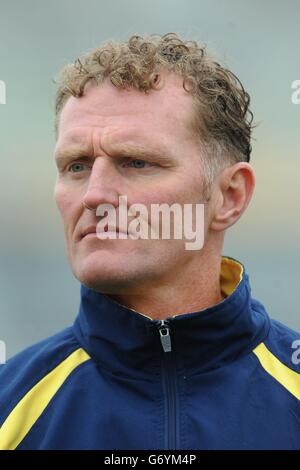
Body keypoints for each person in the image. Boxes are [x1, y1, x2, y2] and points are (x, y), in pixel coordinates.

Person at [0, 33, 299, 451]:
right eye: (76, 165)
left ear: (229, 196)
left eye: (136, 162)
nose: (94, 195)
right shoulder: (9, 408)